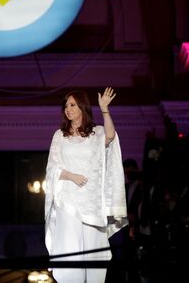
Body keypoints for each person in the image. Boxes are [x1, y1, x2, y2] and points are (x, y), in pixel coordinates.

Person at [44, 88, 127, 283]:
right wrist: (70, 175)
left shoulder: (96, 133)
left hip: (91, 205)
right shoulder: (60, 135)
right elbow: (52, 168)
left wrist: (105, 110)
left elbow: (110, 137)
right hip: (68, 203)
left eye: (72, 105)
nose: (68, 109)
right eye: (65, 106)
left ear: (82, 107)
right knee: (70, 255)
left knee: (93, 257)